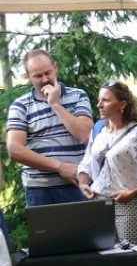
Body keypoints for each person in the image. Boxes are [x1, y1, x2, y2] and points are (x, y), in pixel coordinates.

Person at [77, 81, 137, 266]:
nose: (99, 104)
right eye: (99, 100)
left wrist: (135, 191)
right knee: (104, 261)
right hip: (99, 204)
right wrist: (84, 182)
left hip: (129, 206)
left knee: (130, 261)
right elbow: (87, 161)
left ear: (122, 104)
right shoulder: (99, 131)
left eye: (105, 100)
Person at [6, 49, 93, 206]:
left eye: (48, 72)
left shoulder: (78, 96)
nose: (45, 79)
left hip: (77, 183)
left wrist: (55, 104)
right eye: (38, 76)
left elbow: (85, 135)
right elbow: (14, 149)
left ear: (55, 67)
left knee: (83, 231)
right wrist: (59, 167)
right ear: (27, 76)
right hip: (40, 188)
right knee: (46, 231)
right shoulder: (20, 106)